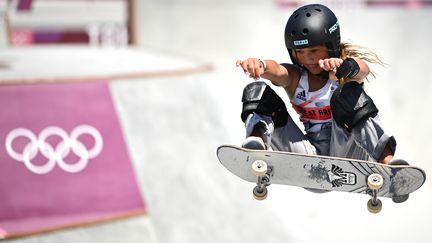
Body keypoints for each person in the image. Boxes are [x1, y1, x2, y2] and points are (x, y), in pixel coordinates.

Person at [236, 3, 398, 165]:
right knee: (256, 91)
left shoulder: (343, 75)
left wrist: (346, 67)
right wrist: (261, 65)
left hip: (348, 152)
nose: (308, 58)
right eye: (300, 52)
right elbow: (278, 70)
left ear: (331, 46)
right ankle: (256, 147)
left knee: (348, 93)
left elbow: (363, 70)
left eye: (313, 50)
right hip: (309, 156)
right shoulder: (296, 78)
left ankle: (387, 162)